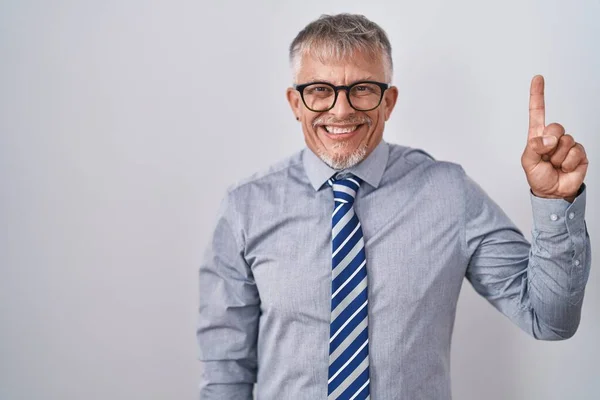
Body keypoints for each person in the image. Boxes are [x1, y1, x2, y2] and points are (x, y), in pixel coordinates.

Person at [197, 13, 591, 400]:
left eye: (363, 89)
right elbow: (226, 373)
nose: (340, 110)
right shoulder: (245, 208)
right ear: (294, 102)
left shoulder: (450, 194)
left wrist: (554, 202)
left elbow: (550, 320)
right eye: (319, 89)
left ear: (389, 102)